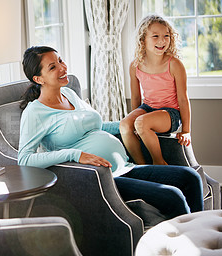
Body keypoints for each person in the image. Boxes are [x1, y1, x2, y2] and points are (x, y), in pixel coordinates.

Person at [18, 45, 203, 220]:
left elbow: (95, 128)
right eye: (52, 67)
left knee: (190, 177)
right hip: (103, 179)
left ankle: (204, 237)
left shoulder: (69, 94)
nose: (62, 67)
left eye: (60, 60)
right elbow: (24, 159)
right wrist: (76, 155)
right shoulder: (35, 112)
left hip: (125, 166)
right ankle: (187, 246)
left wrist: (129, 124)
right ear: (38, 79)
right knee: (172, 196)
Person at [120, 14, 191, 165]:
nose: (162, 40)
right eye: (155, 36)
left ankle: (159, 163)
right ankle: (141, 166)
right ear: (143, 39)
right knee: (125, 124)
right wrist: (135, 124)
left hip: (170, 113)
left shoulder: (174, 64)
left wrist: (186, 130)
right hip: (147, 108)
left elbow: (183, 99)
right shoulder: (135, 65)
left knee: (141, 123)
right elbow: (136, 98)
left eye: (166, 35)